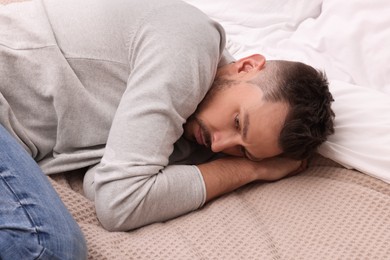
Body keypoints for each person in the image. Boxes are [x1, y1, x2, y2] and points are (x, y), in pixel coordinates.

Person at [0, 0, 334, 258]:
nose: (219, 145)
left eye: (242, 148)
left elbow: (99, 185)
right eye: (237, 122)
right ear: (247, 66)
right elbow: (121, 202)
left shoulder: (196, 134)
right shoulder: (190, 44)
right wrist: (249, 168)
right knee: (46, 245)